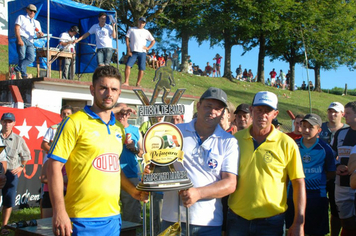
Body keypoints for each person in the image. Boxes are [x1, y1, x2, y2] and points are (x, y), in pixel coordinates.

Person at [47, 66, 147, 236]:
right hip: (80, 218)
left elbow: (113, 167)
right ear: (92, 90)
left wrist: (134, 192)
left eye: (114, 89)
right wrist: (59, 211)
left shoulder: (118, 128)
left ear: (119, 93)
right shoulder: (73, 122)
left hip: (112, 217)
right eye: (103, 88)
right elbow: (54, 166)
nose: (109, 93)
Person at [160, 87, 239, 235]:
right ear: (198, 105)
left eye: (218, 109)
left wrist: (198, 193)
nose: (212, 112)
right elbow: (160, 165)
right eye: (208, 106)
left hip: (207, 223)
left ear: (223, 113)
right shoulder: (175, 131)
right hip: (172, 218)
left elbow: (229, 184)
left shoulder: (229, 141)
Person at [227, 91, 306, 236]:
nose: (263, 115)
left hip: (271, 222)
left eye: (267, 111)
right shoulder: (234, 140)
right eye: (259, 110)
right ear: (251, 110)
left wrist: (299, 223)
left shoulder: (287, 143)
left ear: (275, 114)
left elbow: (298, 183)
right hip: (237, 219)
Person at [285, 113, 335, 236]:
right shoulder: (293, 145)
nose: (306, 130)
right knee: (291, 231)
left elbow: (331, 172)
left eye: (311, 127)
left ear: (319, 130)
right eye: (304, 126)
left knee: (315, 232)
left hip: (316, 198)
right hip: (293, 196)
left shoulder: (325, 148)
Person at [319, 101, 347, 236]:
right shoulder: (320, 127)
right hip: (319, 173)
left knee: (336, 209)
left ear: (343, 114)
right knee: (319, 206)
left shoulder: (348, 130)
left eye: (336, 111)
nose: (332, 114)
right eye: (330, 111)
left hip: (340, 176)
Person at [40, 105, 73, 218]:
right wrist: (58, 154)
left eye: (68, 114)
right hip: (53, 161)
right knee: (46, 195)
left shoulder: (74, 129)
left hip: (68, 163)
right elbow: (44, 144)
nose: (66, 116)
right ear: (60, 115)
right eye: (64, 114)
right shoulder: (53, 128)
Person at [0, 113, 31, 235]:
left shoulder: (19, 140)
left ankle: (4, 226)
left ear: (14, 123)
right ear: (1, 122)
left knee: (8, 201)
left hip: (10, 173)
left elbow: (26, 155)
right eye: (5, 121)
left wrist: (21, 167)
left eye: (10, 122)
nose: (7, 124)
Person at [114, 103, 143, 223]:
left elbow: (142, 153)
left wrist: (134, 148)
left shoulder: (135, 130)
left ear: (129, 115)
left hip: (130, 174)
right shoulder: (109, 128)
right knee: (111, 211)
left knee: (131, 213)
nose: (121, 116)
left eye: (124, 113)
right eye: (119, 113)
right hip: (111, 175)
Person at [331, 101, 356, 236]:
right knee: (346, 222)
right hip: (342, 184)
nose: (344, 115)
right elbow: (332, 155)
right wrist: (337, 166)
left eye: (348, 113)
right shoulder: (340, 133)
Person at [14, 4, 44, 79]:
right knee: (22, 56)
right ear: (27, 10)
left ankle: (17, 68)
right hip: (22, 37)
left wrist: (40, 34)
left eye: (34, 11)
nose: (32, 12)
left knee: (31, 58)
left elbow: (38, 34)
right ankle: (24, 75)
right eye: (31, 10)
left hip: (30, 41)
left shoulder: (36, 22)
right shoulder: (21, 17)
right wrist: (19, 39)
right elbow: (17, 28)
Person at [123, 17, 155, 87]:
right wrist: (128, 49)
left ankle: (138, 83)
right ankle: (126, 82)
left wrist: (148, 48)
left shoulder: (146, 32)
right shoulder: (132, 29)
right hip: (133, 51)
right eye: (140, 22)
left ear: (144, 24)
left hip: (142, 52)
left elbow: (153, 40)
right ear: (138, 22)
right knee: (128, 65)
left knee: (141, 68)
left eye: (143, 23)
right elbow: (127, 38)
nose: (141, 24)